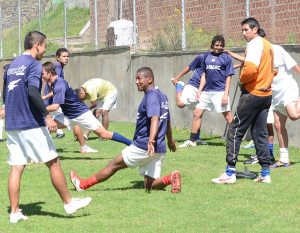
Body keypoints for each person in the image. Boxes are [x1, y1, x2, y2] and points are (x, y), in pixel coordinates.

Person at [4, 31, 91, 224]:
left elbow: (5, 93)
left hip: (12, 125)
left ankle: (14, 212)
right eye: (44, 46)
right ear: (37, 45)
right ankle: (69, 203)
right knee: (53, 162)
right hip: (30, 123)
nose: (45, 49)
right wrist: (47, 116)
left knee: (17, 166)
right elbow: (33, 91)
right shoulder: (33, 65)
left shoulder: (12, 65)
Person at [69, 67, 181, 193]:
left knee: (113, 165)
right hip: (160, 149)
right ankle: (171, 178)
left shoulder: (151, 96)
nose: (137, 82)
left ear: (149, 79)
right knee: (149, 185)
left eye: (139, 78)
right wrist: (170, 141)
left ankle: (82, 185)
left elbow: (155, 118)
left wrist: (150, 140)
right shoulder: (162, 95)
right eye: (136, 78)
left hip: (145, 145)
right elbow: (166, 120)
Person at [211, 18, 275, 184]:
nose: (244, 33)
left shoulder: (254, 44)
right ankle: (265, 173)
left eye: (246, 29)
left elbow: (251, 69)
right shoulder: (268, 45)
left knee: (235, 130)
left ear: (255, 29)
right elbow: (271, 70)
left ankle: (229, 172)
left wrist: (242, 81)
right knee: (260, 133)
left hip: (252, 94)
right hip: (266, 95)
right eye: (243, 30)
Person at [42, 62, 132, 148]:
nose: (41, 76)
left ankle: (132, 144)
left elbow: (55, 106)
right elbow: (56, 93)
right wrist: (44, 97)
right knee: (46, 127)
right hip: (69, 115)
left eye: (43, 73)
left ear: (49, 73)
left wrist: (39, 108)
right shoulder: (56, 83)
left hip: (81, 114)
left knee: (104, 134)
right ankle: (44, 153)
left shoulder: (59, 84)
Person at [179, 35, 234, 149]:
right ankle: (192, 140)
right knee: (197, 113)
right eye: (216, 45)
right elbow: (204, 75)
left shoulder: (227, 58)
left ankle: (235, 140)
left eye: (221, 45)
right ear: (212, 45)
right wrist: (199, 91)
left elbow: (229, 76)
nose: (218, 47)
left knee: (228, 117)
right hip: (207, 92)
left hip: (220, 92)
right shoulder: (206, 57)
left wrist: (226, 93)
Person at [172, 64, 208, 147]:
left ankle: (196, 138)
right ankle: (179, 85)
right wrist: (177, 78)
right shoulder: (202, 57)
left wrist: (240, 64)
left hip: (204, 90)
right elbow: (189, 67)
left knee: (199, 113)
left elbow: (227, 68)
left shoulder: (221, 58)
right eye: (213, 49)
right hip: (193, 86)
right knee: (180, 103)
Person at [43, 48, 70, 139]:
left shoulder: (59, 67)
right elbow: (52, 84)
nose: (66, 58)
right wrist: (46, 96)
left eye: (67, 56)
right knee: (71, 119)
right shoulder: (58, 67)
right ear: (58, 58)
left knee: (48, 125)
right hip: (51, 101)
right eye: (64, 56)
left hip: (52, 100)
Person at [0, 64, 9, 142]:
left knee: (1, 117)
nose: (3, 73)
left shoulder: (9, 81)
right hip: (6, 103)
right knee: (2, 118)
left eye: (4, 71)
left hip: (10, 104)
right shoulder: (5, 81)